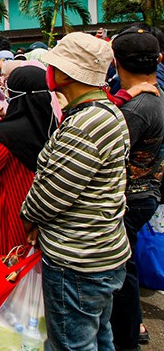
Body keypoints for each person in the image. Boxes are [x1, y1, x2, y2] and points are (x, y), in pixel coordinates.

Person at [20, 32, 131, 350]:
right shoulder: (103, 112)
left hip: (78, 259)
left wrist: (29, 217)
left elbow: (51, 195)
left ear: (66, 74)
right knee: (98, 336)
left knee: (72, 343)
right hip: (98, 250)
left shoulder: (85, 125)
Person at [0, 66, 55, 276]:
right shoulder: (51, 123)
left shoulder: (7, 132)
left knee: (6, 277)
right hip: (41, 212)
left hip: (7, 214)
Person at [109, 26, 164, 350]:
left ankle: (128, 333)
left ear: (116, 62)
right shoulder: (151, 98)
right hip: (146, 193)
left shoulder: (137, 109)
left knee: (120, 270)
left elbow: (108, 153)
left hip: (132, 196)